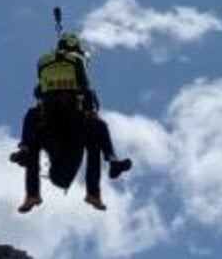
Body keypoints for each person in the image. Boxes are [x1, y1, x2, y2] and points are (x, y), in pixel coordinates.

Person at [10, 31, 132, 213]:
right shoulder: (77, 62)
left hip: (50, 126)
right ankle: (100, 181)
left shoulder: (45, 61)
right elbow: (87, 91)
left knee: (32, 135)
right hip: (74, 127)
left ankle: (31, 187)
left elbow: (37, 91)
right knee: (98, 130)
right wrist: (90, 111)